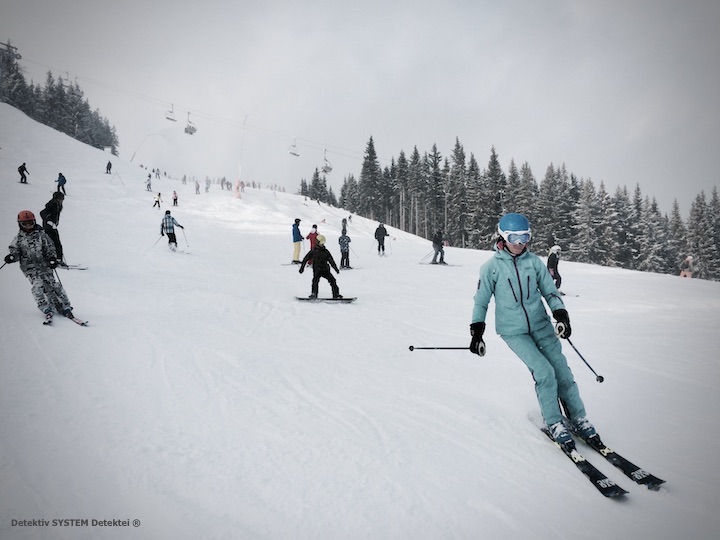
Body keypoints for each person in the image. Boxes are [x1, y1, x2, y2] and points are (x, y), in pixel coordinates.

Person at [469, 212, 597, 451]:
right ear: (503, 236)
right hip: (513, 332)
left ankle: (578, 417)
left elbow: (550, 293)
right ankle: (554, 423)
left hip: (541, 325)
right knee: (544, 372)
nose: (520, 243)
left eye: (525, 236)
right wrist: (477, 331)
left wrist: (561, 315)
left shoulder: (534, 263)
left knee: (562, 371)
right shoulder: (491, 268)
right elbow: (481, 301)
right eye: (515, 237)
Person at [4, 210, 74, 323]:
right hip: (30, 268)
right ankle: (45, 307)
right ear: (19, 224)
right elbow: (15, 251)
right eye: (25, 224)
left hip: (44, 265)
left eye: (30, 223)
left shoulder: (42, 236)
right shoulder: (18, 239)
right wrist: (12, 257)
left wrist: (52, 259)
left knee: (53, 285)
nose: (28, 226)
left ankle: (64, 305)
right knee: (38, 286)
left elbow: (50, 248)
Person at [299, 235, 342, 299]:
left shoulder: (326, 251)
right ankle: (314, 294)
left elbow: (331, 261)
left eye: (323, 243)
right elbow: (306, 259)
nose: (322, 244)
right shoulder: (313, 251)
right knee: (315, 281)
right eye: (321, 243)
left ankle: (336, 294)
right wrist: (302, 268)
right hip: (317, 269)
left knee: (333, 280)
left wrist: (336, 269)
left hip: (325, 269)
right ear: (317, 242)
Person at [39, 192, 66, 266]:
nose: (62, 200)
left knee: (56, 243)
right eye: (61, 198)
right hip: (48, 227)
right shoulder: (52, 204)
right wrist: (50, 222)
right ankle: (55, 260)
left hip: (53, 227)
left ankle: (57, 259)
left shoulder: (58, 205)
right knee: (53, 243)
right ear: (56, 198)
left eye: (63, 198)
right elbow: (42, 213)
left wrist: (55, 223)